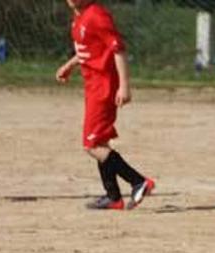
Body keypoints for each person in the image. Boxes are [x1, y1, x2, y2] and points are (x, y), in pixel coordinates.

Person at [56, 0, 154, 210]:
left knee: (91, 145)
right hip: (93, 86)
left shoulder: (96, 15)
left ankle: (138, 181)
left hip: (103, 87)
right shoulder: (79, 17)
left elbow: (118, 49)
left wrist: (124, 86)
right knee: (99, 141)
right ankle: (113, 196)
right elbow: (91, 50)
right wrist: (69, 65)